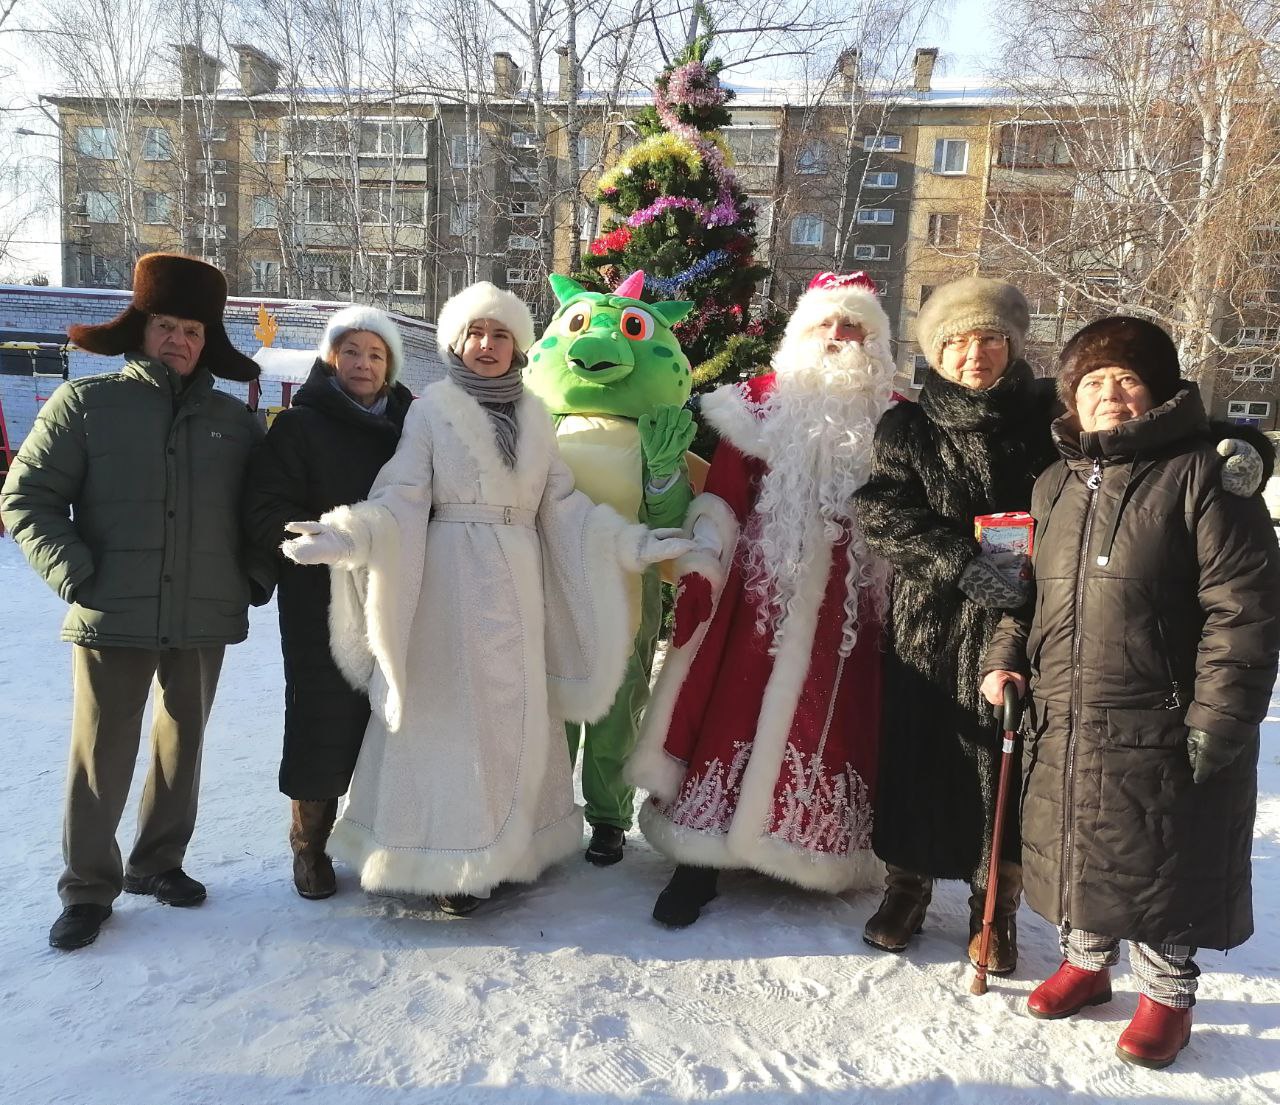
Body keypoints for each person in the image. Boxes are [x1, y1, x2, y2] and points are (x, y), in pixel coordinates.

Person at [279, 282, 692, 914]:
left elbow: (563, 505)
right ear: (456, 341)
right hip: (452, 582)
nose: (488, 344)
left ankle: (511, 845)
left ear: (520, 346)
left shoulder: (534, 414)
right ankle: (449, 860)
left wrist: (631, 545)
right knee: (451, 719)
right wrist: (345, 536)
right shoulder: (431, 409)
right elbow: (402, 494)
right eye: (476, 332)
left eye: (501, 335)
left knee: (513, 716)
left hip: (521, 587)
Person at [981, 316, 1279, 1069]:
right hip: (1065, 712)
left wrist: (1220, 716)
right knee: (1080, 843)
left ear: (1158, 392)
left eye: (1126, 380)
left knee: (1161, 857)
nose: (1109, 394)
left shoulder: (1206, 472)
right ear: (1072, 401)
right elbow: (1018, 595)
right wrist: (1003, 657)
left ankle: (1166, 999)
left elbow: (1242, 608)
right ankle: (1086, 963)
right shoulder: (1053, 483)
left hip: (1164, 717)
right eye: (1091, 383)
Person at [0, 252, 272, 950]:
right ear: (139, 329)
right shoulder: (85, 406)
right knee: (102, 751)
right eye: (165, 325)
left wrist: (252, 576)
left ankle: (158, 863)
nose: (178, 340)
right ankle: (89, 887)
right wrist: (78, 574)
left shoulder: (235, 423)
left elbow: (265, 511)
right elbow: (25, 497)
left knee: (182, 745)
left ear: (207, 339)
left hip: (203, 611)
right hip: (111, 612)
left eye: (192, 329)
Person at [626, 271, 896, 927]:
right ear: (801, 333)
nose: (838, 337)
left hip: (851, 611)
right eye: (825, 324)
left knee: (833, 722)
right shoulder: (755, 408)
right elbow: (718, 500)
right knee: (734, 712)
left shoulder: (895, 416)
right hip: (760, 599)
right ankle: (700, 860)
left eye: (852, 325)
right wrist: (701, 566)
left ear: (874, 338)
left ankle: (812, 845)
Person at [852, 277, 1058, 974]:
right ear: (936, 351)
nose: (976, 354)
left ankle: (993, 908)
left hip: (1028, 618)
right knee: (923, 752)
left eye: (991, 338)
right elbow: (882, 513)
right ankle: (906, 887)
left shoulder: (1052, 420)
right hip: (929, 624)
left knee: (1011, 765)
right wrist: (966, 565)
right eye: (959, 342)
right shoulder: (907, 427)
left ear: (1013, 344)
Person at [244, 306, 415, 900]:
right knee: (323, 718)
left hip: (399, 596)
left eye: (375, 354)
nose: (363, 364)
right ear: (330, 359)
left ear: (389, 363)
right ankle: (309, 846)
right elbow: (263, 507)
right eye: (351, 352)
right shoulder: (298, 426)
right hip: (321, 599)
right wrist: (312, 542)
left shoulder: (412, 427)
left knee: (394, 722)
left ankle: (383, 840)